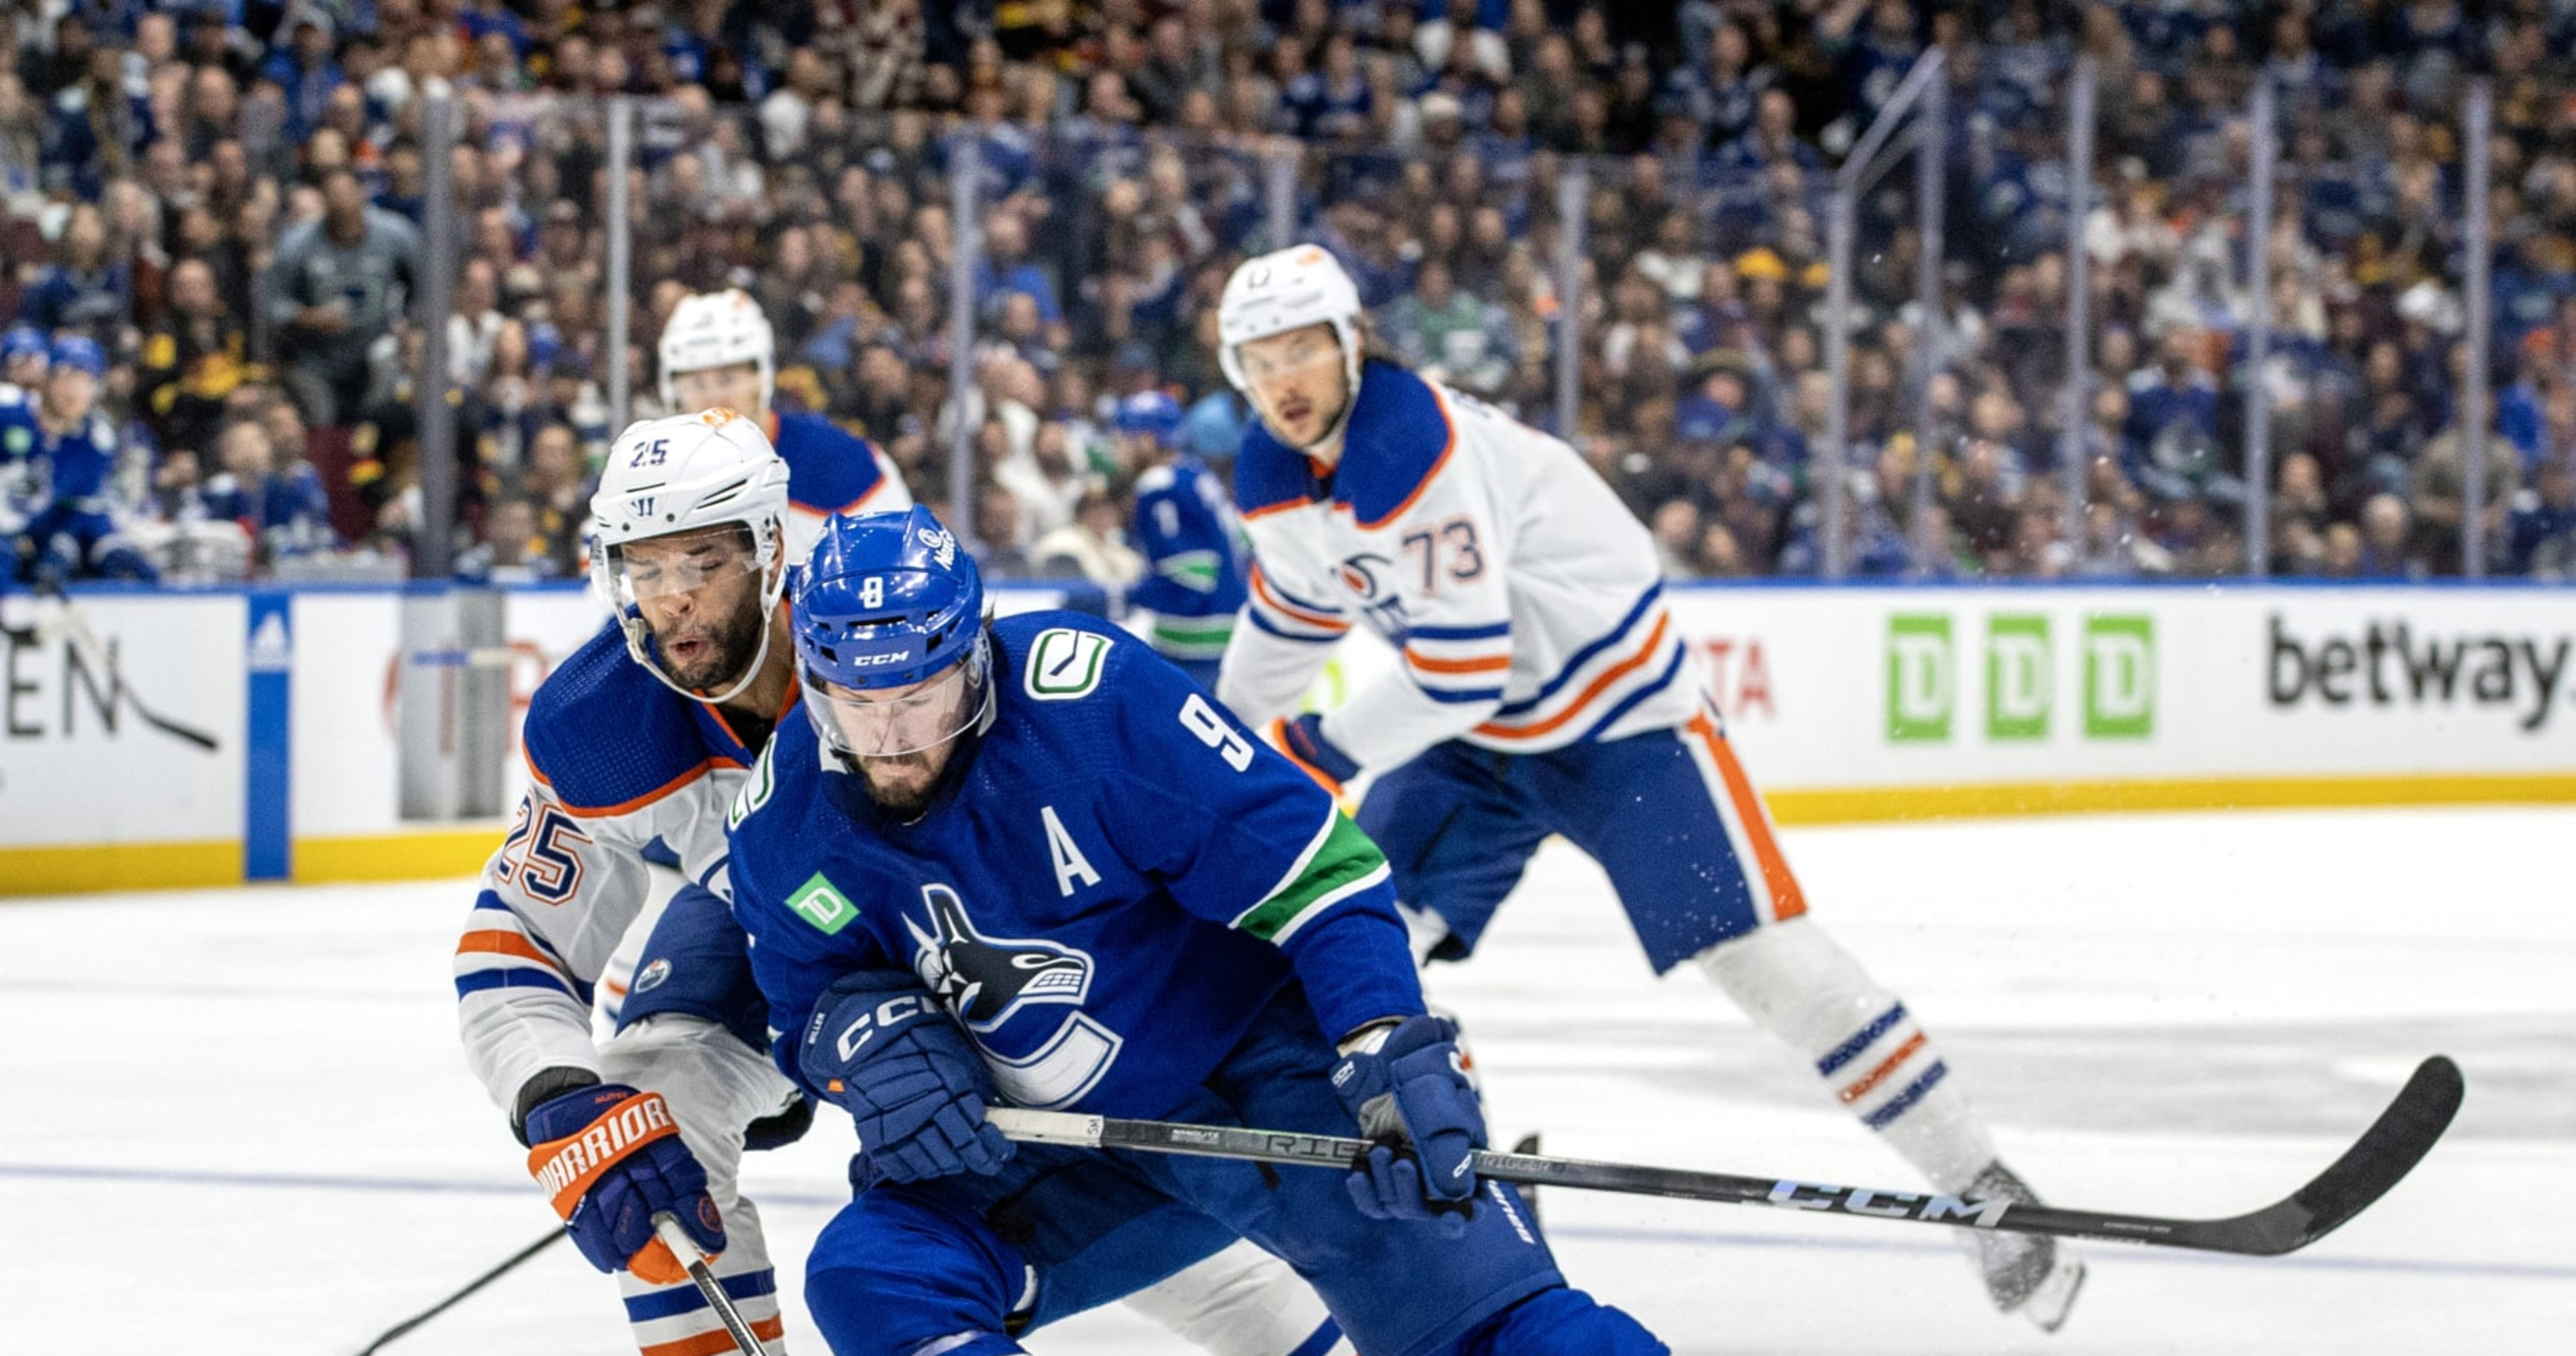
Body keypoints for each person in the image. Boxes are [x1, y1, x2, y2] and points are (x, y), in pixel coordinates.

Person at [1207, 245, 2087, 1332]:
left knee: (1774, 972)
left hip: (1619, 719)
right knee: (1366, 954)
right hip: (1474, 740)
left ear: (1352, 345)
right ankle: (1477, 1194)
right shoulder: (1277, 466)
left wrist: (1316, 748)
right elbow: (1295, 615)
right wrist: (1228, 737)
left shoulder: (1406, 443)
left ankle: (1985, 1191)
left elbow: (1460, 667)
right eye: (1260, 359)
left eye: (1303, 350)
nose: (1284, 379)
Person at [455, 410, 1341, 1356]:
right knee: (652, 1098)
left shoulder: (884, 637)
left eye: (702, 563)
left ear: (768, 550)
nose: (672, 601)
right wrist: (558, 1096)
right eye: (646, 568)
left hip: (985, 930)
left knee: (1065, 1161)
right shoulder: (602, 725)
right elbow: (515, 943)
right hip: (786, 947)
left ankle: (1315, 1334)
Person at [724, 504, 1665, 1356]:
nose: (892, 738)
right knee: (875, 1282)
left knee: (1493, 1330)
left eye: (918, 697)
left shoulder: (1093, 705)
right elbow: (805, 1010)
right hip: (1049, 1150)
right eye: (859, 705)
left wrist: (1382, 1036)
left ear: (974, 654)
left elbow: (1316, 869)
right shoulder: (781, 821)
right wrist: (867, 1044)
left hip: (1268, 1088)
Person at [659, 288, 910, 555]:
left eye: (727, 379)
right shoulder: (654, 475)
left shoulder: (840, 460)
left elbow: (896, 566)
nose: (713, 397)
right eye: (697, 383)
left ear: (762, 378)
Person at [1119, 388, 1249, 688]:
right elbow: (1243, 545)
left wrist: (1125, 597)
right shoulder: (1197, 474)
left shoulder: (1160, 486)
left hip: (1192, 649)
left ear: (1148, 440)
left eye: (1125, 437)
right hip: (1231, 635)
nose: (1119, 448)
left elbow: (1191, 579)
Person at [1, 336, 157, 586]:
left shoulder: (95, 441)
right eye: (65, 376)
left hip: (26, 545)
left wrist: (61, 547)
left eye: (84, 381)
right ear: (47, 379)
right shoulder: (8, 409)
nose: (73, 390)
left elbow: (78, 512)